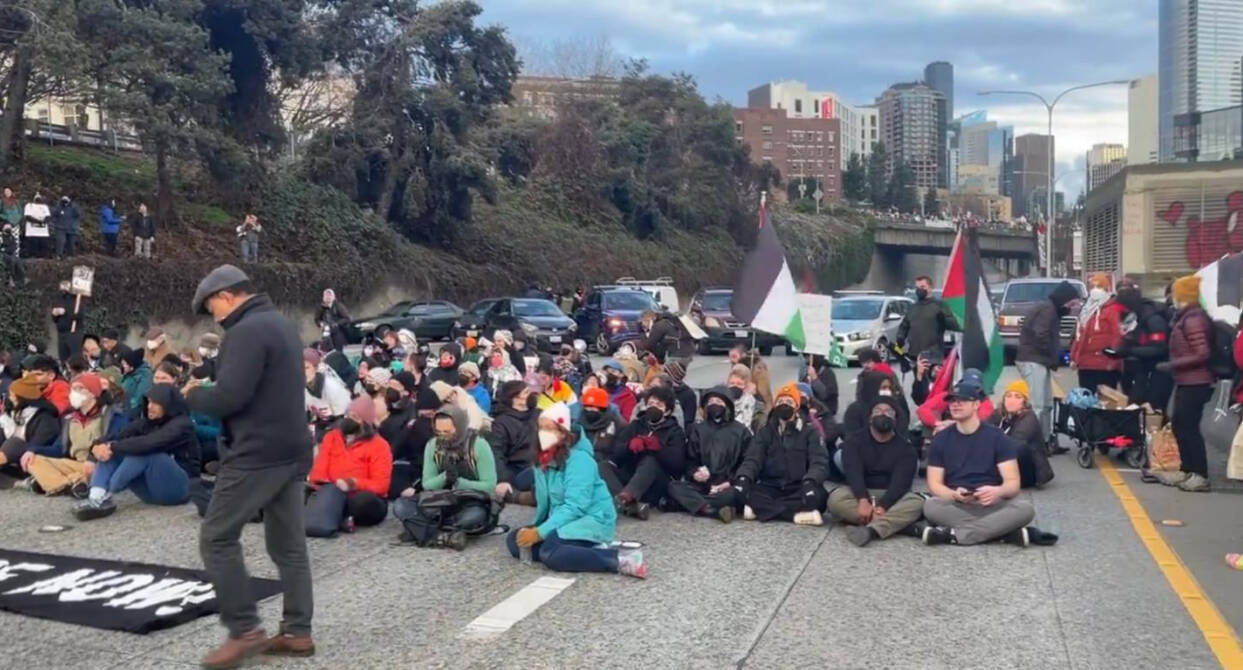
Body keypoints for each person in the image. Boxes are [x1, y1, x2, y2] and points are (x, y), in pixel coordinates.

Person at [186, 264, 315, 665]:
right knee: (288, 545)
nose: (214, 317)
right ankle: (297, 631)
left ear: (226, 296)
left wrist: (193, 394)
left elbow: (229, 397)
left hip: (257, 452)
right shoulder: (281, 324)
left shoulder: (244, 331)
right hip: (292, 447)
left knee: (217, 537)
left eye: (212, 308)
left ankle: (244, 629)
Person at [506, 402, 646, 578]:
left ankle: (618, 560)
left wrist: (540, 533)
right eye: (541, 428)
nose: (543, 433)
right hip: (561, 517)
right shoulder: (542, 459)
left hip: (591, 517)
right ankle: (576, 550)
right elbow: (546, 502)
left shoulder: (580, 460)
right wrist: (536, 527)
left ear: (564, 433)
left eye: (550, 429)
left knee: (551, 553)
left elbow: (576, 506)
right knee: (514, 540)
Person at [922, 376, 1056, 547]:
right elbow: (934, 484)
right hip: (956, 504)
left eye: (962, 400)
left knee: (1025, 509)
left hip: (992, 504)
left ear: (976, 405)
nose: (955, 405)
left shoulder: (997, 438)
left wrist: (997, 491)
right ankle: (1003, 533)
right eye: (952, 401)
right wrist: (953, 494)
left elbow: (1013, 484)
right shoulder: (941, 439)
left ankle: (956, 535)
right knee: (931, 506)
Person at [73, 384, 198, 519]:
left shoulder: (182, 424)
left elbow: (152, 443)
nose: (150, 406)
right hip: (150, 493)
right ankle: (96, 497)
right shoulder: (146, 423)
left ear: (168, 404)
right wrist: (97, 448)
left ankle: (109, 492)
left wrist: (112, 447)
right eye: (149, 402)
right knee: (113, 449)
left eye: (156, 403)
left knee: (145, 453)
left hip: (180, 489)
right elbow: (114, 436)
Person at [392, 406, 498, 549]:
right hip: (439, 501)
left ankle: (421, 530)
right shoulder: (432, 445)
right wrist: (445, 477)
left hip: (470, 501)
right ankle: (445, 536)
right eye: (438, 431)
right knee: (400, 506)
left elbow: (489, 485)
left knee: (474, 516)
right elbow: (427, 484)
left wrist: (460, 482)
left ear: (460, 426)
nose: (442, 436)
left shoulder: (478, 445)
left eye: (447, 432)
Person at [828, 396, 924, 546]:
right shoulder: (854, 441)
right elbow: (854, 473)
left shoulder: (906, 448)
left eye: (888, 411)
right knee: (835, 500)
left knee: (917, 503)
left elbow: (901, 484)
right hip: (861, 493)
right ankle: (898, 525)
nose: (883, 414)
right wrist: (862, 499)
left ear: (895, 418)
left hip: (892, 496)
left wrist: (883, 506)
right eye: (877, 411)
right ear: (870, 418)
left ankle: (871, 530)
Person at [14, 373, 129, 495]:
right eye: (72, 389)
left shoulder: (112, 415)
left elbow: (115, 441)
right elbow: (58, 449)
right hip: (75, 464)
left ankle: (52, 483)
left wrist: (93, 457)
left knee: (93, 471)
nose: (74, 393)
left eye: (79, 388)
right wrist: (33, 450)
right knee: (34, 460)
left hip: (100, 465)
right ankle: (73, 484)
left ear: (93, 392)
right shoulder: (69, 419)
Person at [733, 383, 828, 524]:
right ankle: (795, 516)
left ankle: (763, 511)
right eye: (780, 401)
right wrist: (744, 477)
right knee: (745, 494)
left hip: (799, 486)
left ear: (796, 406)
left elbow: (819, 461)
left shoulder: (810, 432)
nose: (784, 404)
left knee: (819, 497)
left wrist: (811, 480)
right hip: (770, 486)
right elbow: (753, 459)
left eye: (789, 402)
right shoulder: (765, 432)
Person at [304, 396, 392, 537]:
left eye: (355, 417)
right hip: (332, 492)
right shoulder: (332, 437)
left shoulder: (379, 445)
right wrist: (322, 485)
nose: (349, 419)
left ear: (365, 422)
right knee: (297, 491)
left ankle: (336, 516)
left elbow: (381, 485)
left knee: (364, 502)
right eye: (348, 415)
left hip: (358, 496)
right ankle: (337, 517)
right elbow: (319, 468)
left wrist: (352, 483)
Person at [1157, 275, 1214, 492]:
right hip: (1188, 380)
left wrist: (1173, 364)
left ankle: (1199, 474)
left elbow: (1202, 353)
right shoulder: (1186, 317)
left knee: (1188, 427)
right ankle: (1187, 469)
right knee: (1181, 424)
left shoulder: (1193, 319)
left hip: (1196, 381)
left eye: (1175, 293)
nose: (1172, 297)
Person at [600, 385, 686, 520]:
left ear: (667, 411)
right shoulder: (636, 425)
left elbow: (678, 465)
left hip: (656, 483)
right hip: (631, 475)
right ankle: (628, 503)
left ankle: (625, 499)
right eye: (651, 403)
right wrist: (629, 446)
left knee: (649, 460)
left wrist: (659, 449)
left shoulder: (675, 432)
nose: (654, 407)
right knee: (604, 466)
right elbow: (615, 454)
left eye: (659, 405)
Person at [666, 387, 750, 522]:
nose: (713, 404)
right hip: (702, 485)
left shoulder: (741, 431)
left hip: (726, 485)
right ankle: (710, 510)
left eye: (718, 401)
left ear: (727, 405)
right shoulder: (698, 430)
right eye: (710, 401)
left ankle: (689, 505)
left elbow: (745, 463)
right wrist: (695, 473)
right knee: (674, 487)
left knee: (735, 494)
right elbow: (689, 460)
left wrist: (728, 482)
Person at [1016, 280, 1079, 439]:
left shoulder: (1049, 309)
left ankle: (1045, 438)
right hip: (1034, 360)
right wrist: (1052, 354)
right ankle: (1033, 441)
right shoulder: (1047, 311)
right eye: (1071, 303)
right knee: (1038, 404)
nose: (1071, 307)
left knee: (1046, 404)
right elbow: (1041, 334)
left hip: (1038, 360)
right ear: (1064, 299)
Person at [1111, 278, 1174, 414]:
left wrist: (1130, 350)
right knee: (1135, 405)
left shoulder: (1153, 319)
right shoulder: (1136, 317)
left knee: (1153, 410)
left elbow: (1160, 348)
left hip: (1158, 371)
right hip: (1143, 369)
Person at [987, 380, 1054, 489]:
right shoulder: (998, 414)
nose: (1011, 400)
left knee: (1018, 447)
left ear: (1024, 402)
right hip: (1005, 463)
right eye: (1008, 396)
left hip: (1029, 468)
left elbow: (1015, 441)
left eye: (1017, 397)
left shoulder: (1029, 417)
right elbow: (982, 431)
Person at [0, 376, 62, 481]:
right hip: (10, 455)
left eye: (12, 394)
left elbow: (38, 445)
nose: (10, 397)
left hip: (32, 456)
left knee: (14, 443)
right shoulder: (12, 414)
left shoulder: (45, 417)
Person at [1070, 273, 1125, 391]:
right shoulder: (1086, 309)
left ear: (1106, 289)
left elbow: (1117, 335)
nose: (1095, 290)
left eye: (1099, 287)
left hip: (1104, 364)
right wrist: (1075, 357)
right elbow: (1079, 336)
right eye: (1092, 287)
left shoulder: (1112, 309)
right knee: (1087, 399)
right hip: (1086, 364)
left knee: (1106, 400)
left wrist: (1114, 360)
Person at [489, 380, 537, 503]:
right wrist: (502, 479)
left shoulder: (539, 414)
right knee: (537, 473)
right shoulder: (501, 423)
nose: (531, 394)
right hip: (519, 470)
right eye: (526, 392)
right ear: (515, 399)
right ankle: (522, 496)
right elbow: (496, 452)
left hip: (541, 462)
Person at [896, 276, 960, 358]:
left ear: (930, 288)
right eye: (917, 287)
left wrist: (944, 319)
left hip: (933, 356)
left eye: (922, 287)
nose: (919, 290)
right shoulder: (913, 308)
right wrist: (900, 337)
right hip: (914, 355)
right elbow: (904, 326)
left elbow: (955, 325)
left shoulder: (940, 306)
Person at [843, 370, 909, 437]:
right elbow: (853, 437)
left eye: (889, 388)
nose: (887, 391)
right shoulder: (855, 410)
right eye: (884, 388)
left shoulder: (895, 408)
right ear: (872, 388)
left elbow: (902, 433)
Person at [304, 348, 351, 442]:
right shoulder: (301, 386)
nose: (303, 372)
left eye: (306, 368)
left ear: (316, 368)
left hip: (339, 425)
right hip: (320, 424)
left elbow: (344, 415)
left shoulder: (332, 386)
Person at [580, 386, 625, 461]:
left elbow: (620, 452)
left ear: (603, 408)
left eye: (595, 407)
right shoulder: (577, 423)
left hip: (604, 465)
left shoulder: (618, 424)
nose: (591, 410)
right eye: (588, 406)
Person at [729, 343, 774, 414]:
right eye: (730, 356)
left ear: (743, 355)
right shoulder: (735, 366)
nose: (731, 360)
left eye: (734, 356)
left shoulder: (758, 369)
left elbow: (767, 399)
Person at [50, 282, 86, 365]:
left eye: (65, 285)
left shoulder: (77, 300)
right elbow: (54, 319)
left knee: (74, 357)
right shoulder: (58, 300)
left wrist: (65, 313)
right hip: (61, 334)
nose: (63, 288)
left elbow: (79, 316)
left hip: (74, 333)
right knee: (63, 358)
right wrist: (55, 314)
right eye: (62, 285)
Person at [1, 187, 25, 286]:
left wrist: (18, 218)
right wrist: (6, 218)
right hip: (6, 224)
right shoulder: (2, 202)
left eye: (9, 191)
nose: (7, 193)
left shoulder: (16, 202)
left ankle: (16, 256)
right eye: (6, 191)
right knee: (6, 239)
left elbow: (20, 212)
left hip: (16, 224)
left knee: (16, 241)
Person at [803, 354, 839, 418]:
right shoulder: (808, 372)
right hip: (810, 408)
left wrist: (815, 379)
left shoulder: (828, 373)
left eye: (808, 357)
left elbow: (826, 395)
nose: (806, 359)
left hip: (825, 409)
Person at [120, 348, 153, 413]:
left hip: (132, 411)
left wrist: (127, 410)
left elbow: (139, 398)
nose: (123, 366)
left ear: (132, 365)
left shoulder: (145, 376)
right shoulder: (129, 374)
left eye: (125, 364)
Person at [21, 192, 51, 258]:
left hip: (43, 232)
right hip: (32, 232)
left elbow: (48, 217)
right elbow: (27, 216)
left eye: (39, 197)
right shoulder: (29, 205)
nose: (38, 198)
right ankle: (32, 259)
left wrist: (43, 221)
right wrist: (38, 221)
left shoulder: (45, 206)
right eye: (36, 197)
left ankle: (43, 259)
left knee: (43, 248)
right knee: (32, 248)